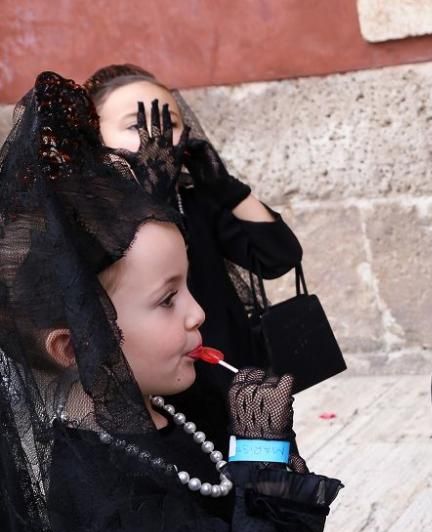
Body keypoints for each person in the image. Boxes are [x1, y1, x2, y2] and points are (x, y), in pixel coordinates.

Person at [0, 71, 358, 532]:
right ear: (74, 344)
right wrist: (265, 461)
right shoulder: (109, 493)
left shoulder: (164, 411)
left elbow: (276, 254)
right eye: (169, 298)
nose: (199, 313)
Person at [85, 63, 306, 448]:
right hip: (160, 392)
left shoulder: (194, 200)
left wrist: (227, 188)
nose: (156, 137)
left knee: (267, 484)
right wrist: (146, 200)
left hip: (231, 375)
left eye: (166, 122)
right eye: (136, 124)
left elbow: (279, 257)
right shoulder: (87, 217)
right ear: (94, 138)